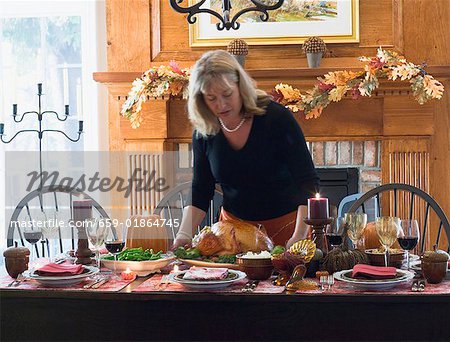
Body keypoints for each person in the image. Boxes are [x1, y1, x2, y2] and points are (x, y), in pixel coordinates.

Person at [172, 50, 319, 249]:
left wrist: (300, 236)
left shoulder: (276, 118)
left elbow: (307, 182)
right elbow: (201, 189)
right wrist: (183, 235)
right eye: (211, 98)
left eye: (227, 94)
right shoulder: (204, 131)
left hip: (288, 229)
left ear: (240, 86)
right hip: (232, 236)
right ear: (201, 100)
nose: (221, 104)